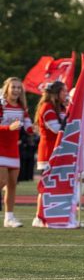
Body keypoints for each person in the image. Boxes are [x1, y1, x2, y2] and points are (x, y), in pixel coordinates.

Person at [32, 80, 68, 227]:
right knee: (46, 186)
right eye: (64, 91)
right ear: (56, 93)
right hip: (48, 152)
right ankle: (39, 217)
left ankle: (51, 217)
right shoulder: (47, 107)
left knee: (56, 186)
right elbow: (57, 129)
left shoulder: (59, 107)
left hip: (58, 151)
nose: (66, 93)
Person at [0, 77, 33, 227]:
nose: (16, 90)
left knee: (12, 184)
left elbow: (28, 127)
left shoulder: (22, 107)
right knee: (2, 181)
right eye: (13, 87)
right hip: (0, 147)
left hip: (13, 149)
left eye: (19, 88)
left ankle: (9, 217)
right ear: (7, 88)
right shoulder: (1, 105)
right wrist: (8, 128)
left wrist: (35, 128)